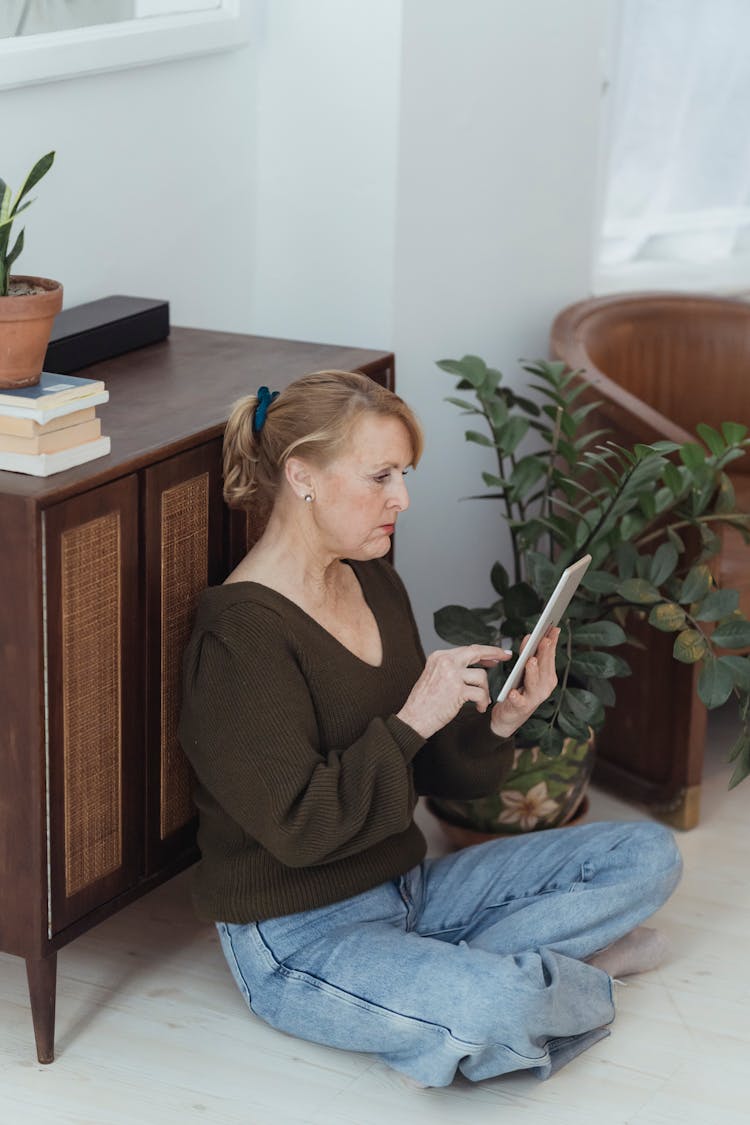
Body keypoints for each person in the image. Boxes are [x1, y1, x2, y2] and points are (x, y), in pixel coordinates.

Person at [178, 370, 682, 1089]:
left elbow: (434, 772)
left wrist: (501, 719)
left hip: (408, 887)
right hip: (301, 934)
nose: (402, 499)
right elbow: (302, 828)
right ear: (302, 476)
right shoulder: (238, 640)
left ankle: (470, 980)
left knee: (647, 851)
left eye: (404, 474)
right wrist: (415, 714)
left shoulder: (373, 578)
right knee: (496, 1005)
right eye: (381, 475)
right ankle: (563, 978)